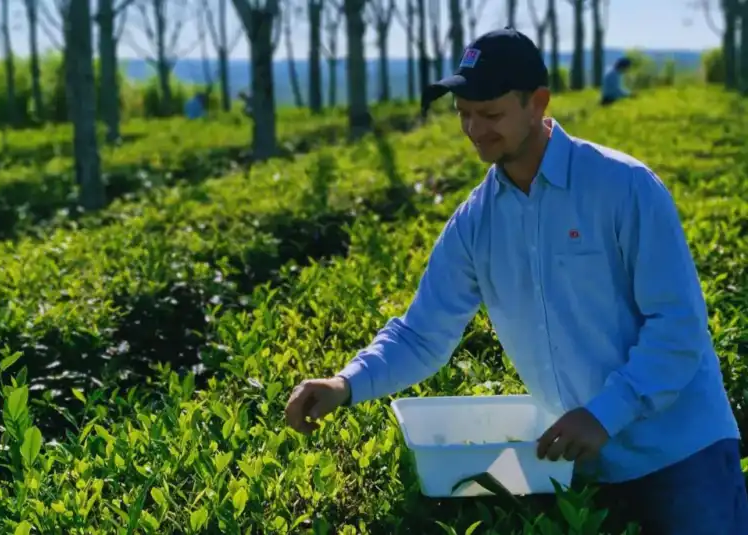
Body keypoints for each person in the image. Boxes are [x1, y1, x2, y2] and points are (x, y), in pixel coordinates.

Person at [284, 27, 748, 534]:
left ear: (538, 103)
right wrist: (345, 384)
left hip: (680, 455)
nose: (474, 129)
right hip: (583, 468)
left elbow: (678, 324)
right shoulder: (475, 223)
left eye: (490, 114)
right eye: (463, 113)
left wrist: (604, 414)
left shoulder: (624, 187)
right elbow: (422, 334)